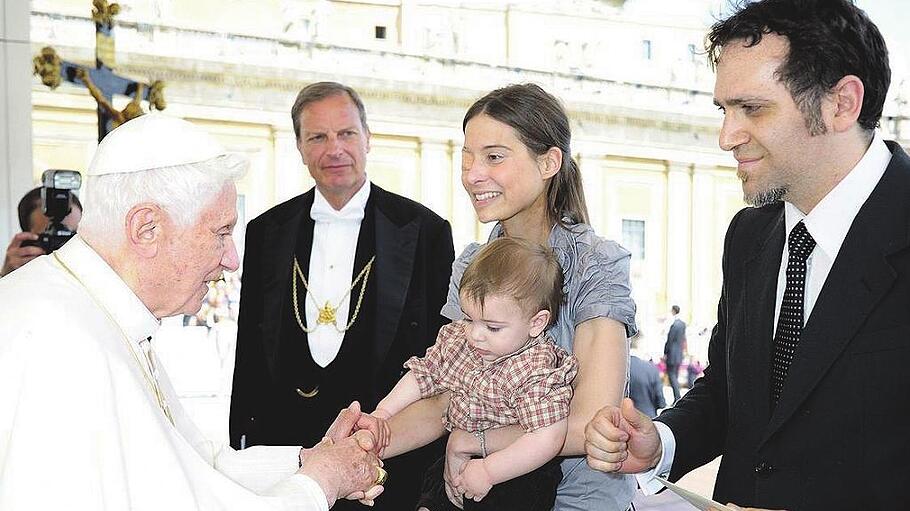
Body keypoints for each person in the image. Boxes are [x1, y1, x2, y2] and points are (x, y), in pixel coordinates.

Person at [584, 1, 909, 509]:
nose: (726, 137)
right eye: (724, 110)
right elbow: (730, 395)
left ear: (842, 103)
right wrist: (661, 442)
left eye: (752, 108)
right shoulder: (748, 236)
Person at [0, 113, 386, 510]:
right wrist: (321, 482)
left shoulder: (102, 318)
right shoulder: (58, 345)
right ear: (146, 228)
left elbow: (199, 466)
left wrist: (311, 459)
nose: (233, 259)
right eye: (221, 233)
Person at [375, 83, 638, 511]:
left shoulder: (596, 263)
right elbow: (445, 394)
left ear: (549, 161)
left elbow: (590, 422)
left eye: (494, 157)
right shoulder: (473, 263)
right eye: (467, 158)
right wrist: (370, 439)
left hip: (577, 500)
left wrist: (472, 439)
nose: (473, 174)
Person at [230, 81, 455, 510]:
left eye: (346, 133)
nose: (334, 149)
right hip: (287, 457)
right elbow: (250, 351)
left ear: (368, 138)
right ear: (299, 146)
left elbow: (439, 357)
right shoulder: (265, 231)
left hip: (388, 462)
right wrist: (244, 442)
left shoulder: (425, 230)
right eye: (317, 136)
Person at [372, 237, 577, 511]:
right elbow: (423, 375)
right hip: (455, 454)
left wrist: (490, 471)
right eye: (469, 318)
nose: (475, 335)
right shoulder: (461, 340)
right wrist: (383, 413)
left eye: (492, 327)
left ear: (536, 323)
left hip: (518, 470)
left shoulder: (535, 367)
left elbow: (547, 437)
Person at [1, 186, 82, 277]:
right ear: (28, 241)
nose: (64, 245)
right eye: (54, 236)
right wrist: (7, 276)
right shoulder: (21, 277)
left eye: (73, 236)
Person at [629, 335, 665, 418]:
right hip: (648, 418)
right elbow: (660, 401)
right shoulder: (651, 369)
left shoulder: (617, 368)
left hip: (621, 421)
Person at [662, 305, 686, 403]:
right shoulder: (683, 324)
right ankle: (677, 397)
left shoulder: (674, 325)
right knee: (674, 375)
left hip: (672, 354)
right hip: (679, 354)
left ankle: (677, 397)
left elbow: (670, 340)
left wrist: (665, 352)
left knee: (672, 376)